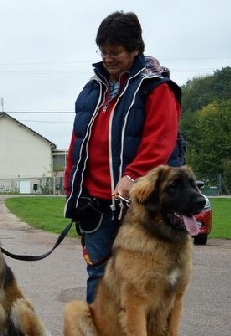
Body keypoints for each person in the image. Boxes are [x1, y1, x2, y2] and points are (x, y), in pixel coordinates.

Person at [63, 11, 182, 304]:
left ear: (135, 49)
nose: (108, 58)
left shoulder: (156, 87)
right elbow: (79, 140)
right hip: (96, 202)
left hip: (139, 205)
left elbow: (160, 142)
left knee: (143, 276)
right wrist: (71, 187)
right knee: (98, 274)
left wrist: (131, 176)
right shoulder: (93, 89)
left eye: (115, 52)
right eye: (103, 51)